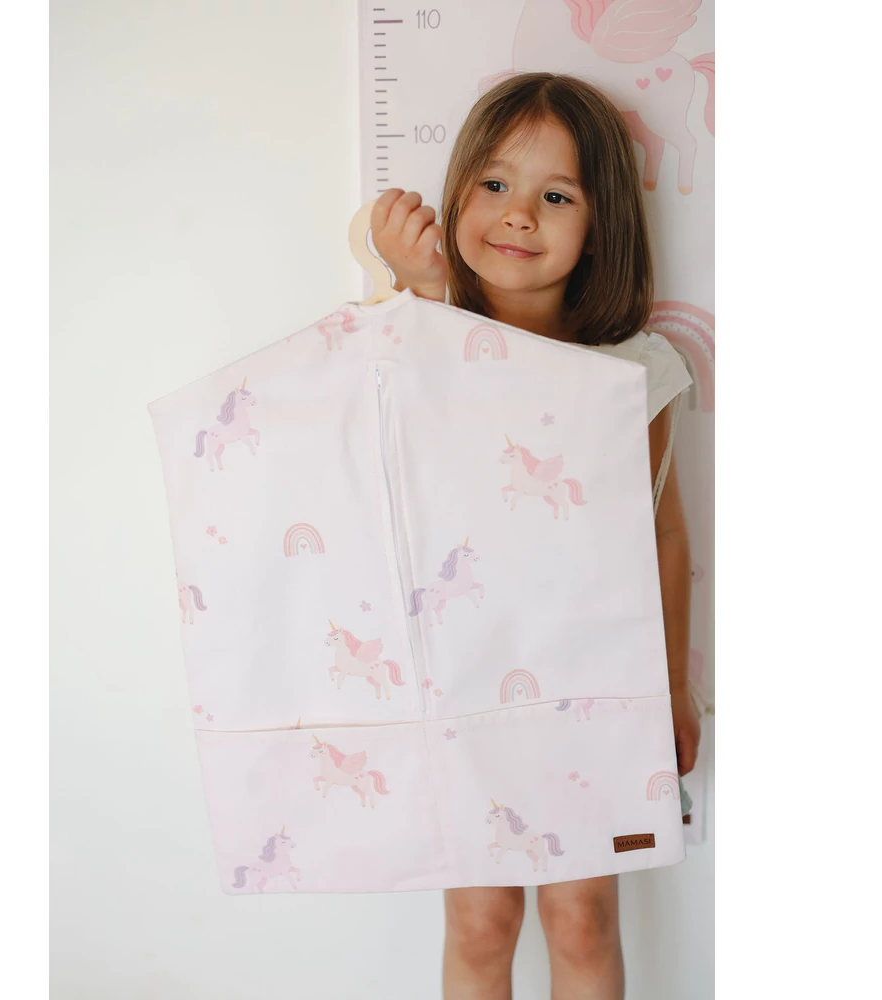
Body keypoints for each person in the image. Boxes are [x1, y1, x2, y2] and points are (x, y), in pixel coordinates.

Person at [371, 72, 702, 1000]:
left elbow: (662, 530)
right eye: (495, 185)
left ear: (599, 227)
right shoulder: (416, 337)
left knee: (582, 920)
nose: (519, 213)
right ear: (458, 197)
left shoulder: (634, 372)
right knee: (481, 924)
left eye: (557, 196)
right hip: (463, 681)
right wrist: (419, 290)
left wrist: (673, 684)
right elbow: (407, 475)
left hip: (590, 685)